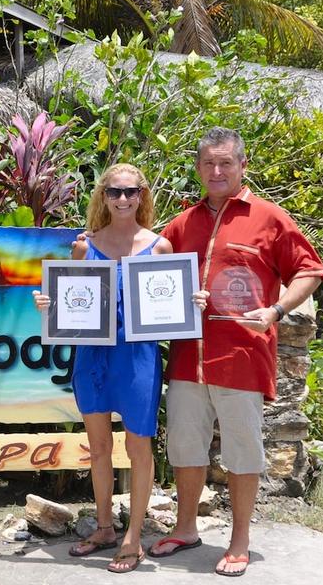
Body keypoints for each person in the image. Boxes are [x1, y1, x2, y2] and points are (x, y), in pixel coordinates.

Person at [147, 127, 323, 577]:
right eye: (208, 162)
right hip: (188, 359)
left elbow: (311, 270)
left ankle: (240, 542)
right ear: (198, 167)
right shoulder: (182, 223)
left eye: (226, 162)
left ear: (243, 165)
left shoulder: (270, 218)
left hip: (242, 358)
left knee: (242, 453)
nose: (217, 170)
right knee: (185, 449)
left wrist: (276, 309)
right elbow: (148, 272)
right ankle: (186, 528)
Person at [34, 164, 204, 573]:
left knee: (138, 446)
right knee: (98, 448)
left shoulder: (160, 247)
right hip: (92, 357)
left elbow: (172, 310)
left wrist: (191, 304)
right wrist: (48, 306)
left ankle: (133, 537)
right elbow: (73, 305)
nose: (123, 199)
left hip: (138, 358)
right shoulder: (83, 246)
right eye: (115, 192)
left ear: (142, 195)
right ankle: (106, 526)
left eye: (131, 192)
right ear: (104, 195)